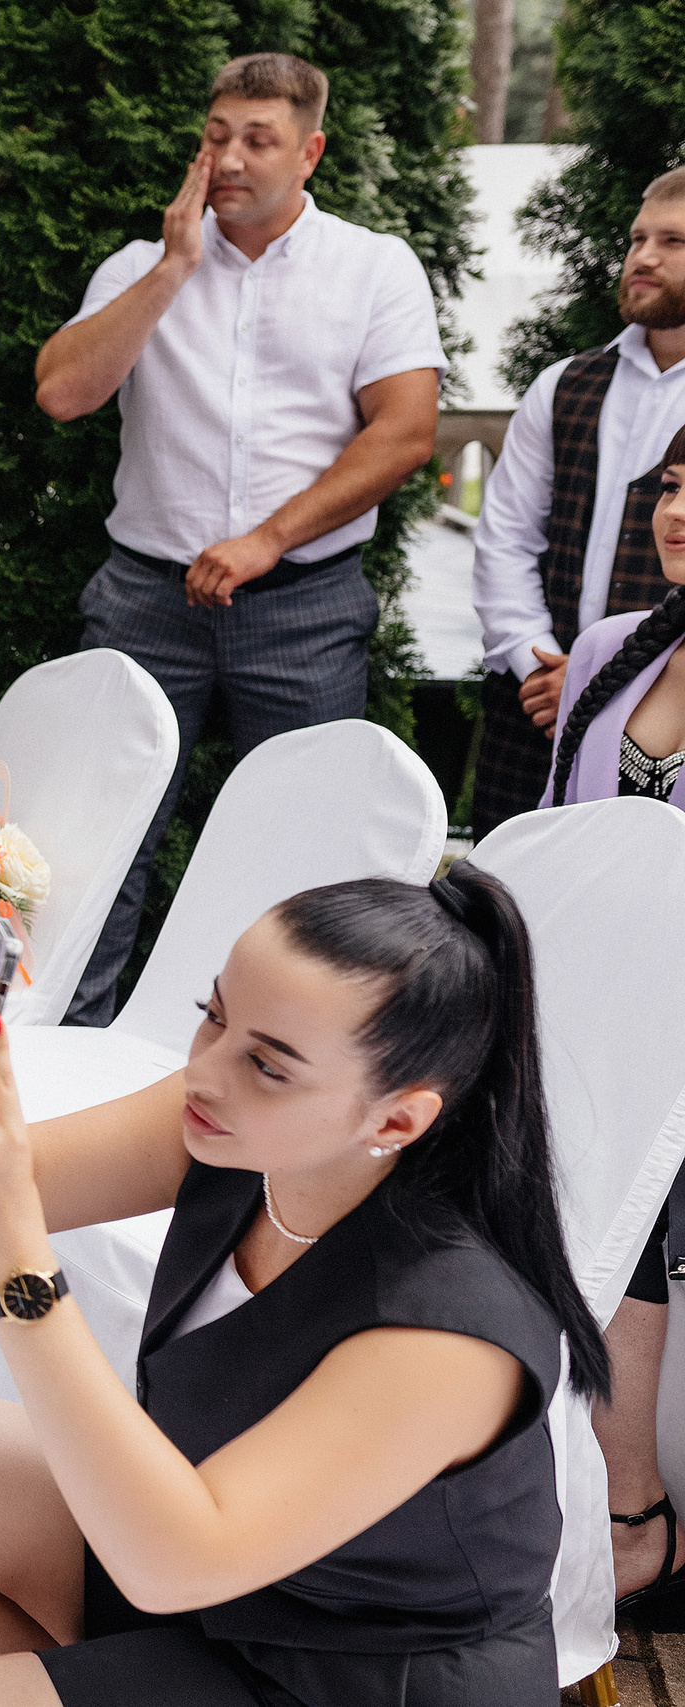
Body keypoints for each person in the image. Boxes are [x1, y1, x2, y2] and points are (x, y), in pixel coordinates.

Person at [0, 867, 605, 1706]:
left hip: (353, 1672)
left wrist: (13, 1263)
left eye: (268, 1064)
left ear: (397, 1118)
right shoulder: (234, 1124)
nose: (208, 1071)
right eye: (212, 1014)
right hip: (207, 1577)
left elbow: (175, 1560)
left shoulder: (449, 1335)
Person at [34, 53, 444, 1025]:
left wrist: (266, 539)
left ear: (310, 152)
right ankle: (69, 1051)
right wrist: (174, 268)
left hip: (305, 605)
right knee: (101, 839)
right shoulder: (140, 266)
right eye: (216, 136)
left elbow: (404, 432)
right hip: (145, 598)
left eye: (258, 140)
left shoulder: (374, 267)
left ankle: (277, 1051)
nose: (228, 158)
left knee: (305, 849)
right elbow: (62, 391)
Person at [541, 426, 685, 1622]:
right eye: (673, 485)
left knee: (631, 1171)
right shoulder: (607, 649)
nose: (676, 511)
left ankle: (631, 1514)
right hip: (594, 1004)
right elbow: (555, 839)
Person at [471, 172, 685, 834]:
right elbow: (505, 538)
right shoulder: (563, 384)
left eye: (672, 241)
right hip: (533, 708)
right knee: (506, 887)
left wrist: (606, 675)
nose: (643, 257)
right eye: (637, 239)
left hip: (667, 720)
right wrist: (539, 662)